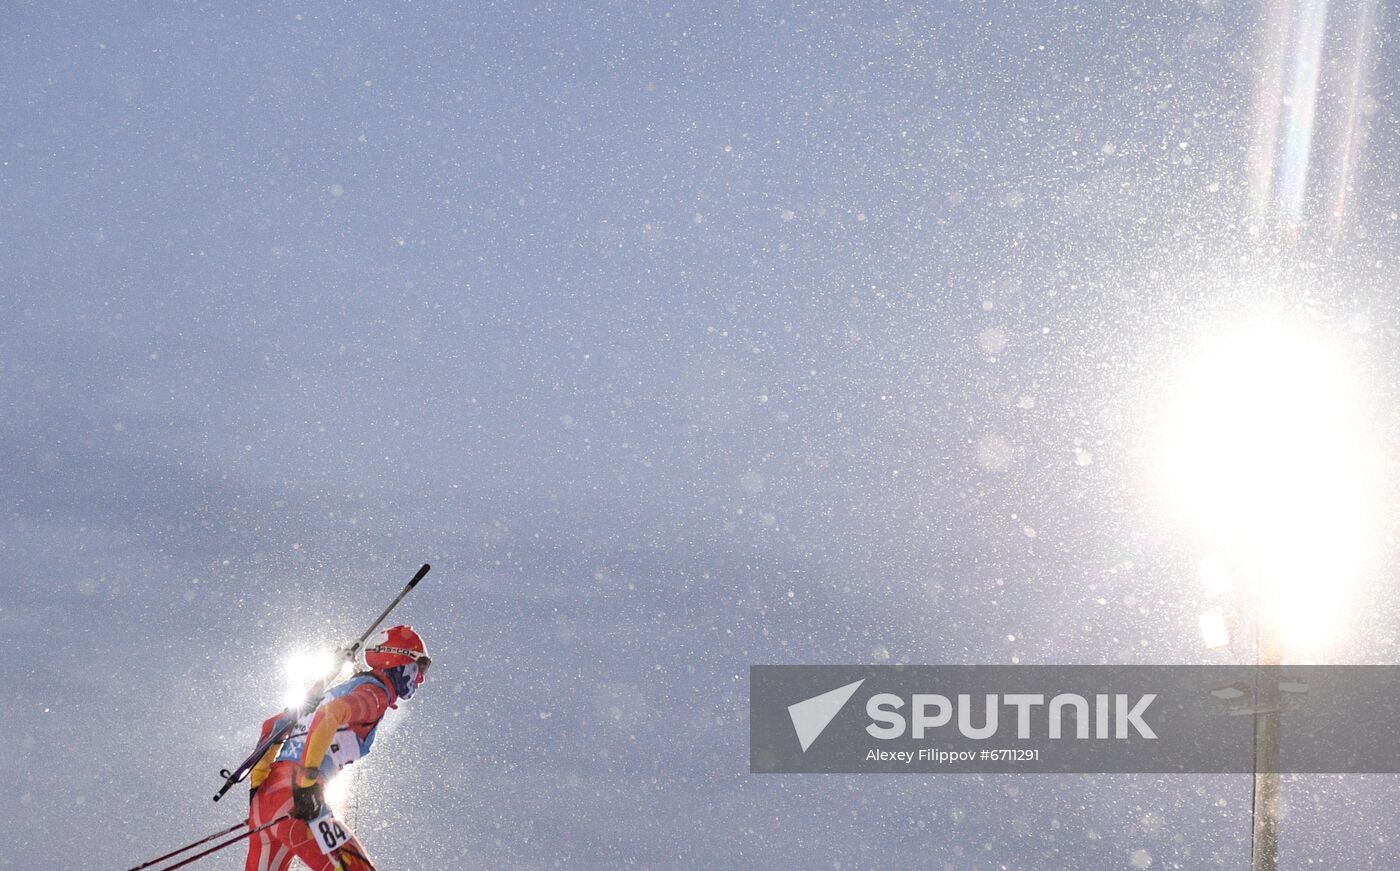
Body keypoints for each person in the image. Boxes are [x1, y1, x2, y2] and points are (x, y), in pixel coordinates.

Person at [244, 625, 430, 871]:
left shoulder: (329, 692)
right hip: (300, 798)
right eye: (421, 666)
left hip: (266, 802)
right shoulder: (376, 694)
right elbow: (330, 714)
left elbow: (273, 725)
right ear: (399, 659)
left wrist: (258, 787)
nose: (421, 678)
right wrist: (307, 782)